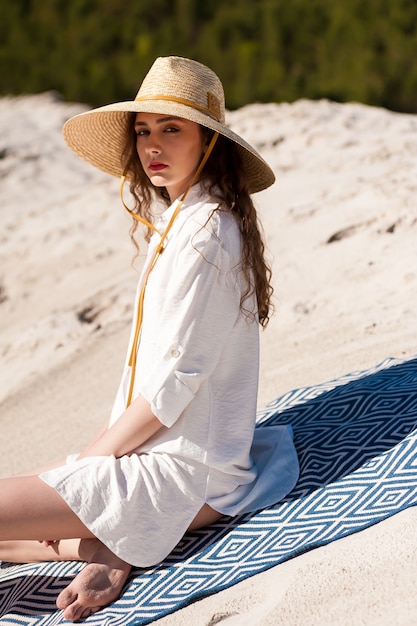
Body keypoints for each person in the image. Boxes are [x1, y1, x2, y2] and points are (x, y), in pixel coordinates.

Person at [0, 56, 299, 622]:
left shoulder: (207, 231)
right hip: (160, 456)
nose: (152, 145)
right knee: (13, 538)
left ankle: (116, 540)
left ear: (209, 140)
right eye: (143, 130)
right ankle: (108, 545)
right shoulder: (186, 216)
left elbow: (173, 385)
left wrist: (84, 467)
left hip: (184, 472)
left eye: (171, 128)